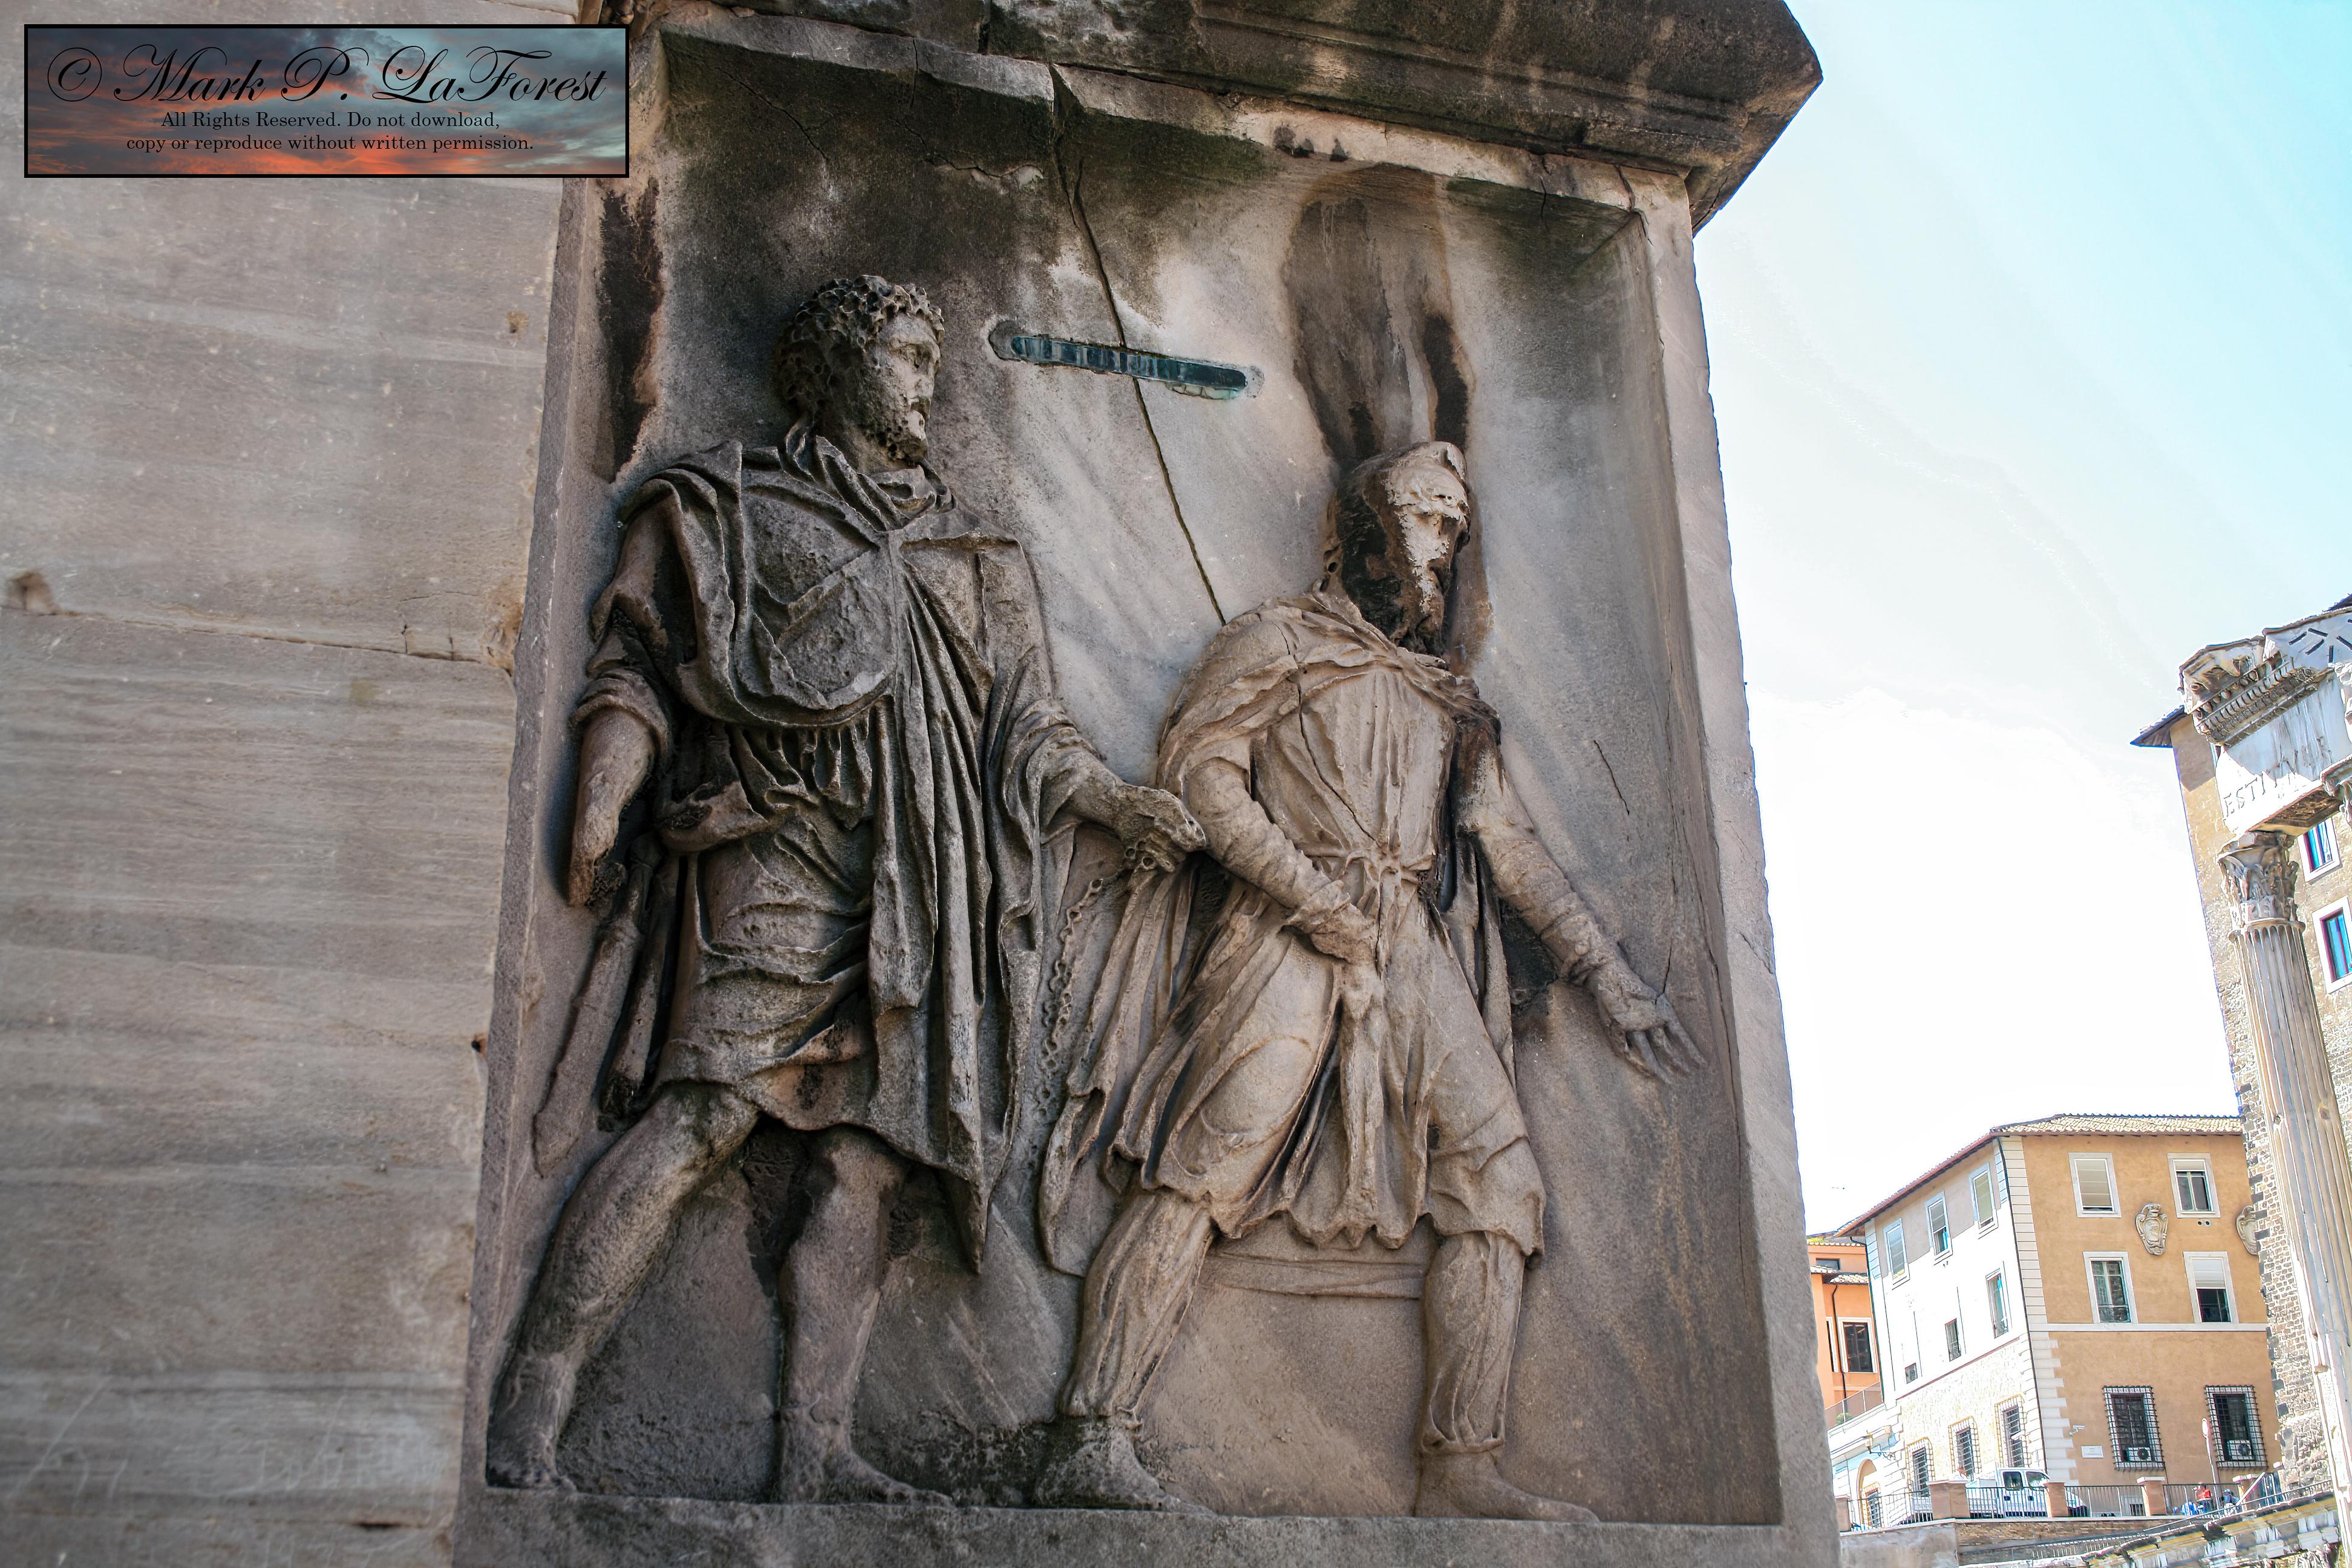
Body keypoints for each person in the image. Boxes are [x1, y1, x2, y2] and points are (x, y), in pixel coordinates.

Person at [485, 275, 1201, 1502]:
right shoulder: (728, 506)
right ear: (833, 367)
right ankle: (534, 1397)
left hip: (919, 880)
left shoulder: (976, 552)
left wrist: (1114, 804)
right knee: (704, 1112)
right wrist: (605, 791)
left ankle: (814, 1455)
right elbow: (637, 661)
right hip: (774, 842)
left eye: (932, 359)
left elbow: (1030, 730)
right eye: (905, 355)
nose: (926, 383)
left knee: (866, 1162)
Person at [1035, 441, 1699, 1519]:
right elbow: (1202, 773)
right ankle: (1091, 1435)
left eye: (1454, 527)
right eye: (1425, 516)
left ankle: (1461, 1466)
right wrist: (1310, 899)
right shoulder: (1277, 640)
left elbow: (1503, 838)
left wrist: (1605, 971)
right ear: (1363, 528)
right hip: (1288, 925)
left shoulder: (1444, 694)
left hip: (1408, 944)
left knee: (1502, 1183)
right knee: (1204, 1162)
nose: (1442, 545)